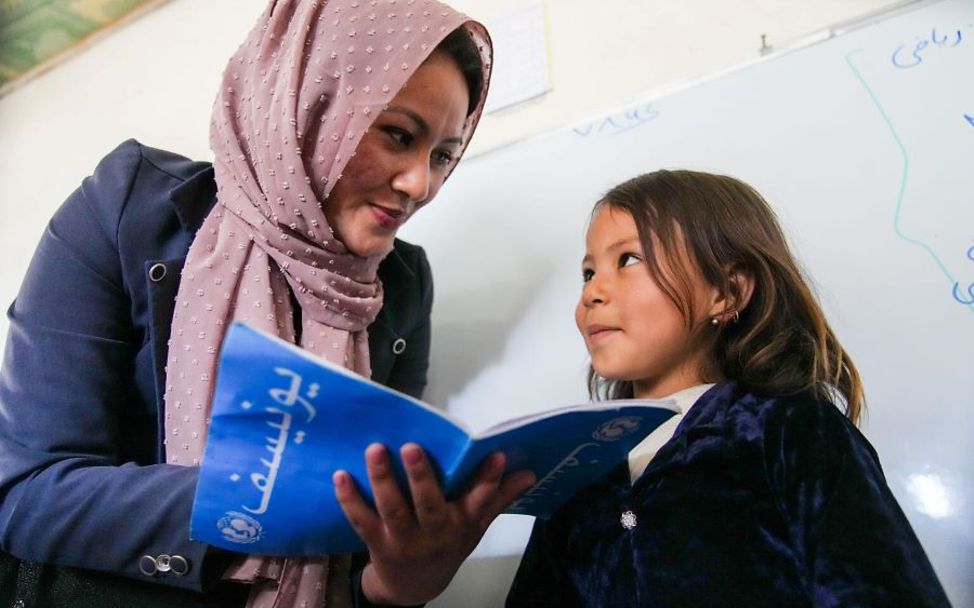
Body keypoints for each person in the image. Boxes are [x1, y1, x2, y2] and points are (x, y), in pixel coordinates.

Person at [0, 0, 533, 606]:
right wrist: (267, 497)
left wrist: (396, 583)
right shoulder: (125, 211)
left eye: (441, 155)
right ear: (310, 105)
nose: (421, 184)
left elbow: (362, 548)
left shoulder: (404, 285)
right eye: (398, 135)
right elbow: (28, 492)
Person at [504, 170, 951, 607]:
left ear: (727, 292)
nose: (592, 293)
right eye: (587, 272)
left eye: (629, 260)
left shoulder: (790, 430)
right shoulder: (579, 468)